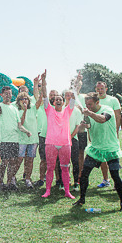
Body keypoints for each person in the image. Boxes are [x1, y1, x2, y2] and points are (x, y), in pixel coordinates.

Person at [73, 92, 122, 211]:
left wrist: (89, 113)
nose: (88, 106)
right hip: (95, 149)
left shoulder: (107, 109)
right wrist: (81, 125)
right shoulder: (88, 113)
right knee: (84, 174)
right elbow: (84, 128)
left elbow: (102, 119)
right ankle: (81, 199)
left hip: (110, 149)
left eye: (91, 104)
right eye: (87, 104)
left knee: (115, 176)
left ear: (97, 102)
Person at [40, 70, 77, 199]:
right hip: (50, 143)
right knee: (50, 168)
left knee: (65, 168)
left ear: (63, 101)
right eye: (56, 100)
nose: (58, 101)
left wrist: (76, 82)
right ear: (53, 102)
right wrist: (44, 81)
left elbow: (74, 95)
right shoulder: (48, 110)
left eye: (60, 99)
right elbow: (44, 95)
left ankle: (67, 191)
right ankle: (48, 190)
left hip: (65, 144)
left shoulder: (68, 111)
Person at [94, 81, 122, 189]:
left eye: (102, 88)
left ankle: (116, 182)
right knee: (102, 159)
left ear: (106, 89)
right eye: (98, 89)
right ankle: (106, 180)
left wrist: (116, 132)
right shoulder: (94, 101)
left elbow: (118, 116)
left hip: (111, 135)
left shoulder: (113, 100)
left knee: (113, 159)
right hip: (100, 134)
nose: (100, 91)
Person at [0, 86, 22, 188]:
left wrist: (27, 131)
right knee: (4, 162)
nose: (8, 95)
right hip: (3, 139)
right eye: (6, 93)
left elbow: (19, 124)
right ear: (2, 95)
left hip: (14, 139)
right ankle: (0, 181)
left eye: (10, 93)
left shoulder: (14, 108)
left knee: (13, 162)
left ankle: (9, 182)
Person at [16, 88, 41, 188]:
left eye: (26, 98)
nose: (24, 100)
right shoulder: (16, 110)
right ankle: (12, 178)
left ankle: (27, 179)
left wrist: (41, 85)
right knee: (19, 159)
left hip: (33, 139)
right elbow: (20, 123)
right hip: (22, 139)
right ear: (18, 101)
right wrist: (24, 111)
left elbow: (40, 99)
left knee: (30, 160)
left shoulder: (34, 108)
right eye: (22, 98)